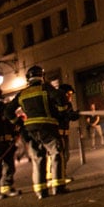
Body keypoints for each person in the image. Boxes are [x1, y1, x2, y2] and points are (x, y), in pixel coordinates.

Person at [7, 66, 71, 198]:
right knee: (56, 154)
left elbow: (8, 111)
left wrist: (19, 123)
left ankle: (41, 191)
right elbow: (60, 97)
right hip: (47, 127)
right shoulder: (46, 88)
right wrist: (62, 112)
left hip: (30, 131)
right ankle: (58, 187)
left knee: (38, 158)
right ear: (42, 76)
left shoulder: (22, 93)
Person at [56, 84, 80, 184]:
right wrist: (70, 115)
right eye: (68, 94)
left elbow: (70, 116)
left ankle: (63, 174)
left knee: (66, 155)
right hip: (58, 133)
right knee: (60, 156)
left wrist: (76, 115)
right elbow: (61, 116)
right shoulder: (56, 103)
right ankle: (58, 176)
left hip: (65, 133)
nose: (70, 96)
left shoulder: (68, 104)